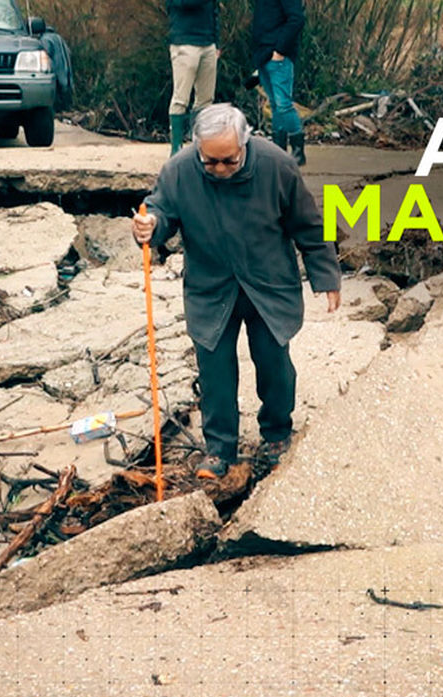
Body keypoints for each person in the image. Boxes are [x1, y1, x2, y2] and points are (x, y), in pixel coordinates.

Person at [131, 104, 340, 479]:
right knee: (215, 371)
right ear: (197, 148)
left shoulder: (277, 165)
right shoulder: (179, 170)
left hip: (268, 283)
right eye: (210, 162)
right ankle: (219, 448)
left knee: (274, 363)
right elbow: (160, 213)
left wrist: (326, 277)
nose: (220, 169)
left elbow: (308, 224)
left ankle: (276, 435)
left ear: (245, 144)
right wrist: (149, 227)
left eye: (229, 160)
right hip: (211, 287)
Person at [251, 0, 306, 165]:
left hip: (279, 57)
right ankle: (278, 150)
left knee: (283, 104)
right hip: (263, 54)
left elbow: (297, 19)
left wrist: (280, 50)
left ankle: (298, 151)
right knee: (275, 104)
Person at [166, 0, 219, 155]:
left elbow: (214, 11)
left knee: (206, 99)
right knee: (180, 99)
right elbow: (184, 4)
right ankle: (176, 149)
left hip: (208, 44)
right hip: (184, 42)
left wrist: (217, 41)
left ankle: (200, 146)